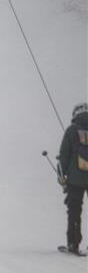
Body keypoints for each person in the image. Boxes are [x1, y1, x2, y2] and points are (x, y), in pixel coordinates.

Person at [58, 102, 88, 255]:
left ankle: (73, 243)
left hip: (75, 180)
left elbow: (63, 156)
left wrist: (61, 177)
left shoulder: (71, 131)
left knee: (75, 210)